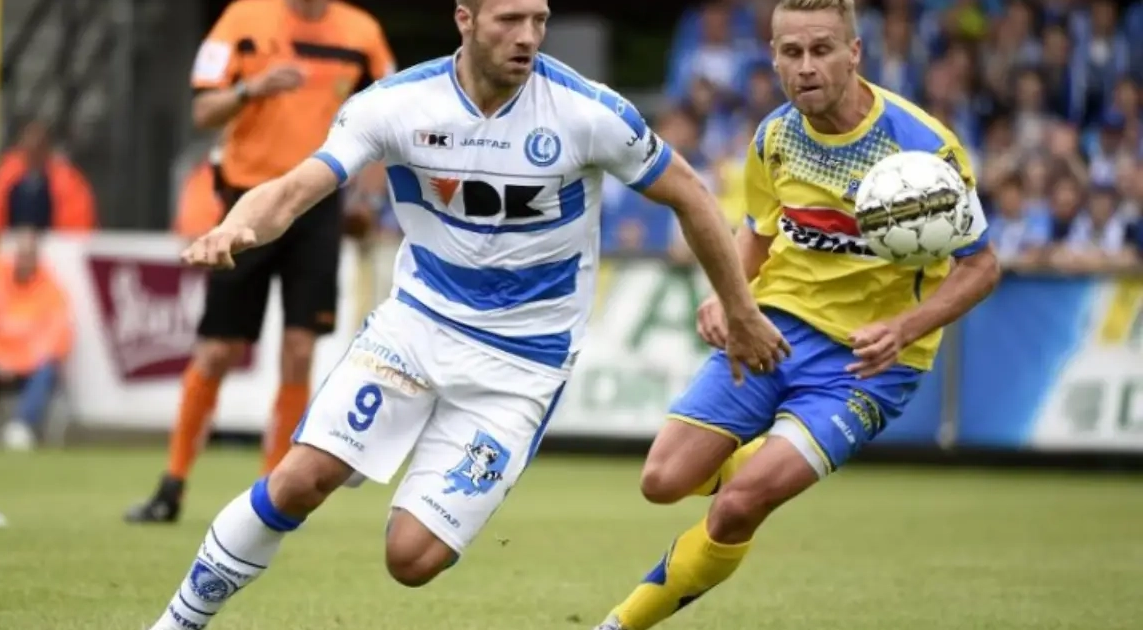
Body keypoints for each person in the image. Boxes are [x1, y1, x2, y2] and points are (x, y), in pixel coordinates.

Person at [143, 0, 790, 627]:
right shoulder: (396, 105)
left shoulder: (587, 112)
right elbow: (292, 190)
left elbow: (690, 194)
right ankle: (175, 622)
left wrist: (740, 309)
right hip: (415, 328)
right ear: (465, 19)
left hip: (522, 362)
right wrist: (234, 227)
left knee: (411, 559)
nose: (527, 36)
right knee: (299, 480)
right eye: (509, 19)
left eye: (539, 20)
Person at [591, 1, 1002, 629]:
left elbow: (982, 266)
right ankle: (758, 457)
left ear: (854, 53)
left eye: (821, 50)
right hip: (774, 331)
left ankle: (619, 624)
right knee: (663, 481)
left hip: (867, 366)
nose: (806, 67)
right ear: (775, 58)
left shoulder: (923, 147)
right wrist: (729, 298)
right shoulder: (776, 137)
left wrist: (904, 329)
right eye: (791, 52)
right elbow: (758, 231)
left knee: (738, 507)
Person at [125, 0, 396, 523]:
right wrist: (251, 89)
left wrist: (368, 200)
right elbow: (203, 111)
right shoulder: (242, 20)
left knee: (299, 350)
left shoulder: (363, 33)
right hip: (246, 204)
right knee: (218, 351)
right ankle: (172, 485)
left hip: (317, 208)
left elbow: (391, 122)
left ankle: (272, 495)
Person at [0, 230, 72, 451]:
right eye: (21, 255)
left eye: (29, 255)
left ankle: (22, 427)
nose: (24, 261)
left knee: (46, 370)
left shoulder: (51, 291)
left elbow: (56, 338)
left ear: (36, 258)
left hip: (29, 367)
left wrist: (16, 363)